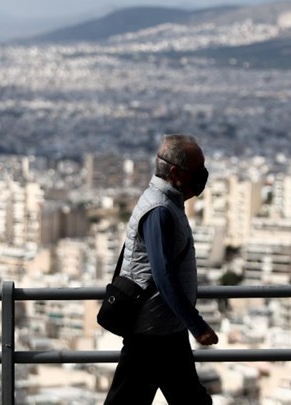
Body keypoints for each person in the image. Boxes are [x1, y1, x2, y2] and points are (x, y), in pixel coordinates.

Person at [104, 134, 219, 405]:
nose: (203, 176)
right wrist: (196, 325)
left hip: (164, 329)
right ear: (176, 173)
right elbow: (163, 275)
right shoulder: (159, 210)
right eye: (197, 169)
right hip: (152, 333)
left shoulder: (166, 204)